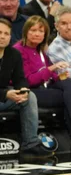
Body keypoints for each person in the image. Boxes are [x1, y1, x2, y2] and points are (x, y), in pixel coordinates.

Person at [13, 16, 71, 156]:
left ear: (45, 34)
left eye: (41, 31)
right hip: (29, 92)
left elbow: (52, 76)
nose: (37, 34)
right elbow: (28, 81)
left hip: (45, 88)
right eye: (33, 30)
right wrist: (51, 69)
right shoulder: (18, 51)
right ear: (26, 31)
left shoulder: (40, 51)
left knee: (69, 84)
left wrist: (61, 75)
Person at [0, 18, 50, 157]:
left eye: (6, 33)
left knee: (30, 97)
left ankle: (30, 144)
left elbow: (20, 79)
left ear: (10, 36)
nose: (2, 36)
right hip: (3, 95)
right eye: (0, 33)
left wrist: (23, 90)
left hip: (4, 97)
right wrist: (5, 94)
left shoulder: (13, 54)